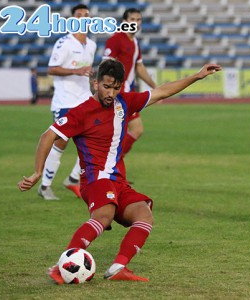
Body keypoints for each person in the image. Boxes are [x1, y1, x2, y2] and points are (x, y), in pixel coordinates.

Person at [18, 58, 222, 283]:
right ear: (96, 84)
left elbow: (161, 92)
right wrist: (38, 172)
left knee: (144, 216)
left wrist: (197, 76)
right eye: (106, 87)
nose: (111, 93)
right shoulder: (81, 112)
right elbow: (47, 136)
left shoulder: (125, 103)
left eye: (116, 88)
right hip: (95, 180)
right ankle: (61, 266)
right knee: (104, 216)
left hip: (118, 181)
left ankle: (118, 268)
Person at [38, 3, 96, 200]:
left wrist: (91, 78)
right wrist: (76, 71)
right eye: (79, 15)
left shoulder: (91, 44)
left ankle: (73, 179)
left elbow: (86, 71)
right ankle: (45, 187)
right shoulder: (64, 43)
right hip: (65, 101)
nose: (83, 18)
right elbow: (52, 68)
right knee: (61, 143)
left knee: (93, 141)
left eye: (86, 15)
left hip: (85, 100)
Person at [103, 8, 157, 158]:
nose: (136, 23)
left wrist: (154, 86)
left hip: (128, 92)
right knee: (120, 132)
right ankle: (108, 165)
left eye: (139, 19)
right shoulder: (116, 39)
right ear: (125, 22)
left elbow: (139, 66)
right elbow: (106, 65)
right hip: (119, 93)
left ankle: (112, 166)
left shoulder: (134, 42)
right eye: (133, 19)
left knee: (129, 131)